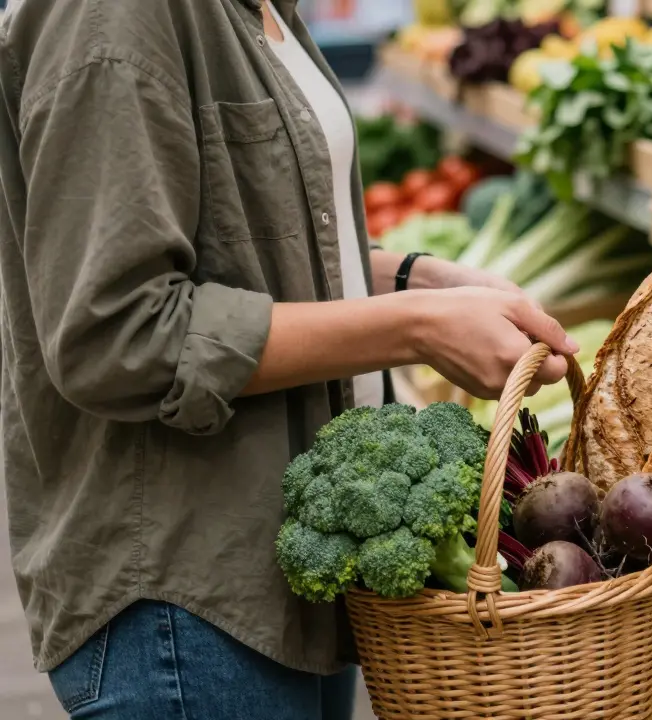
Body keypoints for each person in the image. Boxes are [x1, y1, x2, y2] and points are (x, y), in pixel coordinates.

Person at [0, 0, 577, 718]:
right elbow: (116, 333)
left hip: (289, 564)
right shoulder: (114, 12)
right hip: (187, 600)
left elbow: (241, 238)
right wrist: (414, 326)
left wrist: (411, 279)